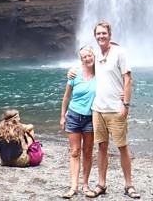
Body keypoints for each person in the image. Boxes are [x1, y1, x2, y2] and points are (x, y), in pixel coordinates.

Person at [82, 21, 139, 199]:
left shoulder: (119, 52)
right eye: (98, 34)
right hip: (98, 109)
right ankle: (101, 184)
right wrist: (71, 73)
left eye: (104, 33)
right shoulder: (96, 54)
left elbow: (128, 79)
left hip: (116, 109)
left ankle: (129, 185)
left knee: (122, 146)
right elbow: (84, 66)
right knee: (102, 147)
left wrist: (126, 104)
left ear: (110, 34)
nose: (101, 36)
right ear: (95, 36)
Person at [59, 46, 97, 198]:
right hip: (74, 116)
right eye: (84, 57)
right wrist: (62, 116)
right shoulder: (74, 74)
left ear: (94, 56)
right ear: (81, 60)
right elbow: (66, 97)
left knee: (87, 152)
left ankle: (86, 185)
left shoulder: (101, 73)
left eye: (89, 55)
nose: (87, 59)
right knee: (75, 152)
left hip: (91, 118)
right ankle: (73, 186)